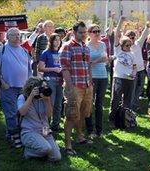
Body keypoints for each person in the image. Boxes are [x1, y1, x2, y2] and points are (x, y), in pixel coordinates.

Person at [60, 21, 93, 156]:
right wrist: (70, 87)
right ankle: (68, 146)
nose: (84, 35)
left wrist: (90, 82)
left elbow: (88, 66)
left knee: (82, 113)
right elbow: (65, 68)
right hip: (74, 87)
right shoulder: (67, 47)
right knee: (71, 116)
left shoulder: (86, 47)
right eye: (81, 32)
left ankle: (80, 136)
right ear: (74, 32)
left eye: (85, 32)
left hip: (87, 86)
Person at [0, 27, 31, 147]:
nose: (18, 37)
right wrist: (2, 83)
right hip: (8, 87)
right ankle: (15, 136)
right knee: (10, 113)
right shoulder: (2, 50)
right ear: (8, 37)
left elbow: (29, 69)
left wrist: (29, 84)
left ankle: (12, 133)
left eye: (19, 35)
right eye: (14, 35)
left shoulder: (24, 51)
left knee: (21, 113)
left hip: (23, 88)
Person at [17, 77, 61, 161]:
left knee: (56, 157)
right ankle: (28, 152)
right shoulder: (22, 97)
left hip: (45, 131)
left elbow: (49, 115)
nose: (42, 90)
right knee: (46, 148)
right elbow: (22, 112)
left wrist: (47, 100)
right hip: (29, 131)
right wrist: (31, 96)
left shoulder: (43, 98)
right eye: (40, 88)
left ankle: (41, 151)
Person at [108, 16, 137, 123]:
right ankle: (112, 119)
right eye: (127, 45)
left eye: (130, 45)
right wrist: (121, 21)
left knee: (127, 100)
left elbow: (134, 66)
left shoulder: (132, 54)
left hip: (129, 78)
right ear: (122, 45)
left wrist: (133, 74)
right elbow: (116, 35)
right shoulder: (118, 50)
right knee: (115, 99)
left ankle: (125, 119)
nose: (129, 47)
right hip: (119, 77)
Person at [84, 24, 108, 138]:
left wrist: (94, 62)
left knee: (99, 104)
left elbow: (105, 58)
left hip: (103, 76)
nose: (97, 33)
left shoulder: (103, 44)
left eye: (98, 31)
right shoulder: (86, 46)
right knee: (89, 104)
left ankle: (99, 130)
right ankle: (90, 130)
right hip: (91, 77)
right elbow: (86, 63)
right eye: (95, 31)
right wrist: (97, 61)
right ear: (89, 33)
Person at [38, 33, 63, 133]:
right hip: (50, 80)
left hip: (60, 80)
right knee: (49, 104)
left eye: (59, 40)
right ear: (51, 41)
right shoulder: (46, 52)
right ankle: (46, 125)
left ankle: (55, 125)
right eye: (55, 40)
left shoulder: (61, 52)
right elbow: (40, 68)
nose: (57, 42)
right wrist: (54, 69)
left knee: (58, 104)